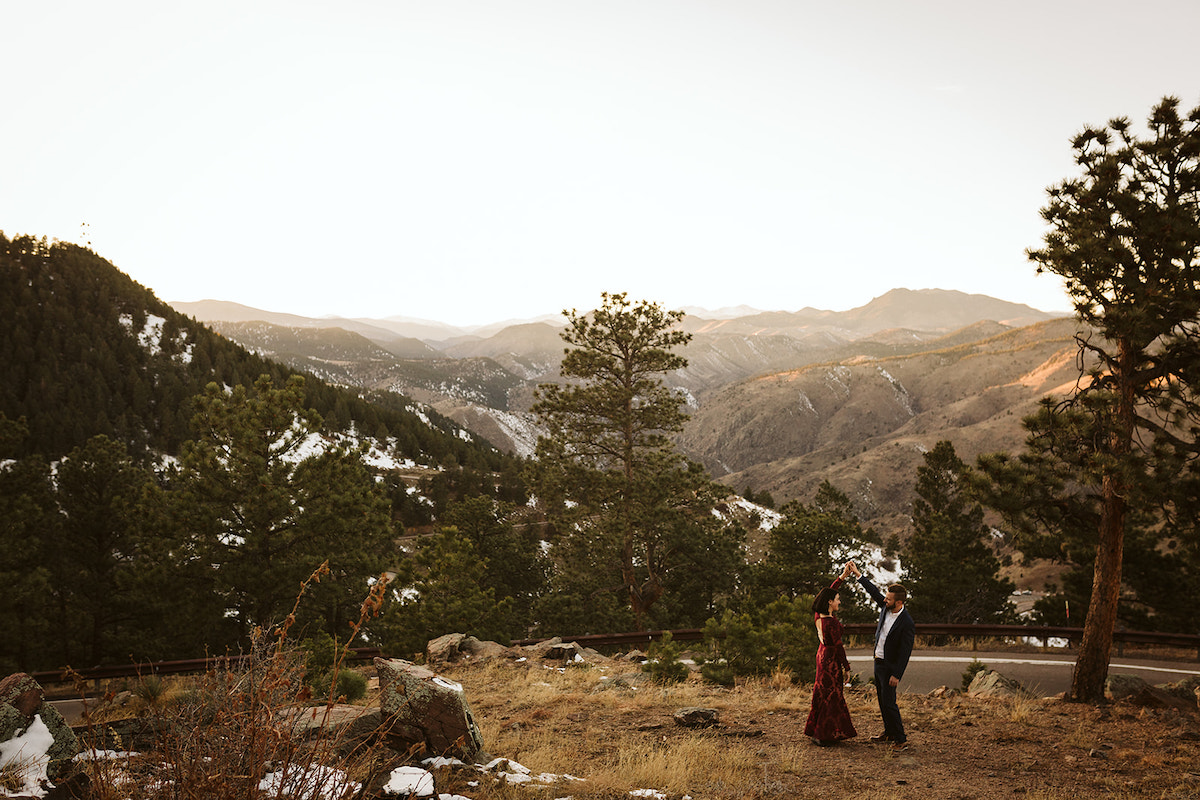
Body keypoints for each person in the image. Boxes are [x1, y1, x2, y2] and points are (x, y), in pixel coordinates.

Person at [846, 561, 914, 750]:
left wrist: (897, 674)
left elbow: (905, 652)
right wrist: (858, 574)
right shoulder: (885, 608)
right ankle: (889, 732)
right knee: (882, 701)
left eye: (889, 599)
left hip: (891, 667)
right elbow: (874, 592)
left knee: (890, 703)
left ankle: (901, 739)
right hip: (878, 662)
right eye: (886, 598)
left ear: (899, 602)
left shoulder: (907, 623)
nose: (885, 600)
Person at [804, 564, 857, 746]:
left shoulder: (819, 616)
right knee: (832, 695)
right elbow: (839, 648)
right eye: (837, 599)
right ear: (830, 603)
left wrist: (841, 577)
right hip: (831, 661)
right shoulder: (831, 623)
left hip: (821, 656)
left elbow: (827, 593)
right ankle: (824, 735)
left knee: (821, 692)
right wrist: (847, 667)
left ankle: (817, 731)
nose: (839, 602)